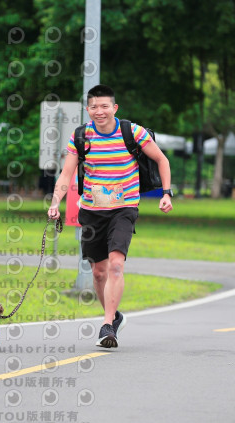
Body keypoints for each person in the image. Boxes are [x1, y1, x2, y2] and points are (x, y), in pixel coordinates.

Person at [47, 84, 173, 348]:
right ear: (88, 109)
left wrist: (166, 193)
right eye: (94, 107)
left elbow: (162, 160)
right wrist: (56, 201)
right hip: (92, 211)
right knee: (98, 272)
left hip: (124, 208)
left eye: (104, 106)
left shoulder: (132, 132)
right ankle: (115, 317)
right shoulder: (80, 137)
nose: (99, 111)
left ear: (114, 108)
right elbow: (67, 174)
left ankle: (107, 326)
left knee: (116, 264)